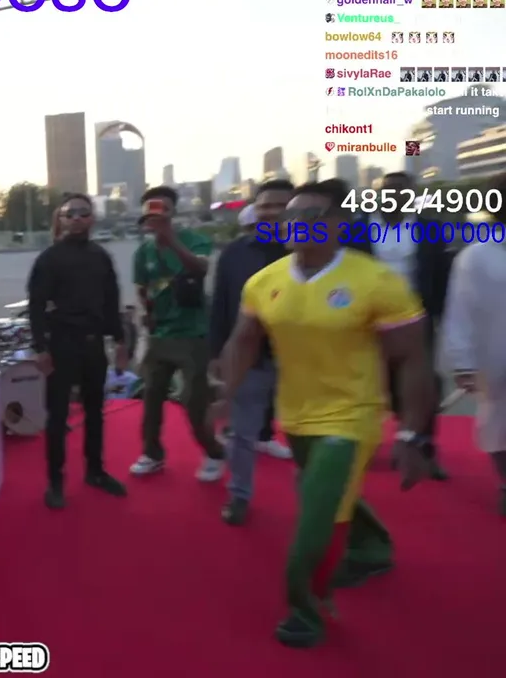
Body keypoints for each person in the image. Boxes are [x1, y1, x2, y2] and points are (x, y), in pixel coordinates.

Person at [214, 180, 436, 648]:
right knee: (330, 491)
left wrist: (412, 434)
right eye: (290, 216)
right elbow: (243, 340)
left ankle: (307, 608)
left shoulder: (376, 281)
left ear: (339, 224)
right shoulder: (265, 282)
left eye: (311, 216)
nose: (296, 224)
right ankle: (372, 547)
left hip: (353, 415)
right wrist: (225, 394)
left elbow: (413, 358)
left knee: (316, 512)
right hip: (295, 415)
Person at [347, 171, 451, 479]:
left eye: (402, 191)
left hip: (415, 319)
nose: (394, 196)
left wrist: (440, 316)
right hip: (367, 322)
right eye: (387, 190)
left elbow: (441, 276)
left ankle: (424, 450)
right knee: (367, 384)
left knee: (424, 385)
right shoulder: (356, 230)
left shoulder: (431, 229)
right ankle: (364, 447)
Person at [27, 193, 128, 508]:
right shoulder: (49, 259)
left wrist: (120, 340)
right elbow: (36, 306)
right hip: (61, 344)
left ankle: (95, 471)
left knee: (95, 412)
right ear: (61, 220)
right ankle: (55, 481)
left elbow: (111, 301)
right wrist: (40, 347)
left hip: (93, 344)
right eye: (70, 213)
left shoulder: (101, 257)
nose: (76, 218)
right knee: (57, 416)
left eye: (83, 213)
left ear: (92, 218)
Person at [208, 180, 296, 526]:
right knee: (241, 434)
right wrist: (217, 353)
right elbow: (220, 305)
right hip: (248, 358)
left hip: (301, 361)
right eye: (264, 206)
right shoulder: (234, 253)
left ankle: (320, 501)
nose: (271, 213)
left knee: (309, 433)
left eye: (280, 206)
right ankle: (239, 495)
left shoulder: (312, 250)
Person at [130, 186, 226, 480]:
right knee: (151, 399)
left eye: (161, 209)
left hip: (192, 335)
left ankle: (214, 453)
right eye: (149, 211)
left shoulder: (195, 240)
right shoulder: (143, 252)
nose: (154, 217)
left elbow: (200, 269)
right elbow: (142, 287)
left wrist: (170, 239)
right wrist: (146, 312)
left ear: (172, 212)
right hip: (159, 336)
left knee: (194, 402)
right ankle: (152, 453)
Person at [439, 184, 505, 515]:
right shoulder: (476, 257)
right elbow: (460, 312)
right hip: (497, 356)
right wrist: (463, 362)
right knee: (498, 425)